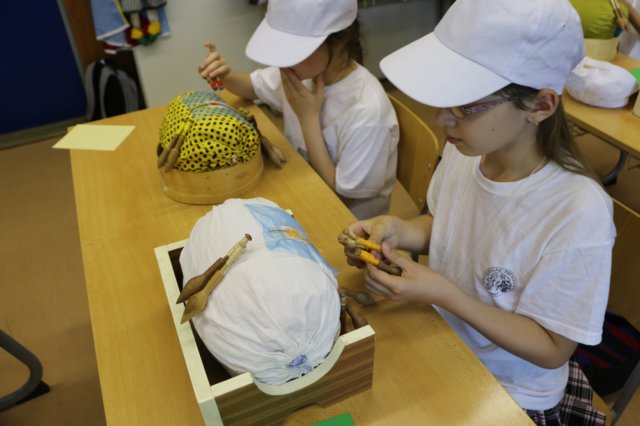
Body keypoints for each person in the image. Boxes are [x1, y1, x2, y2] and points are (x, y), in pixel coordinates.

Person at [343, 0, 616, 424]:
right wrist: (398, 229)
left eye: (465, 105)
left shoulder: (578, 211)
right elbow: (447, 224)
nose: (442, 119)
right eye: (443, 98)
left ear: (540, 106)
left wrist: (444, 293)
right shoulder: (468, 149)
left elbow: (551, 349)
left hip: (510, 387)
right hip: (443, 335)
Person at [198, 0, 399, 220]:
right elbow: (253, 86)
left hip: (342, 223)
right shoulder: (301, 72)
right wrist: (225, 75)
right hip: (302, 191)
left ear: (341, 39)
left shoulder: (368, 112)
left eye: (295, 49)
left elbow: (341, 197)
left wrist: (307, 117)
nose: (282, 60)